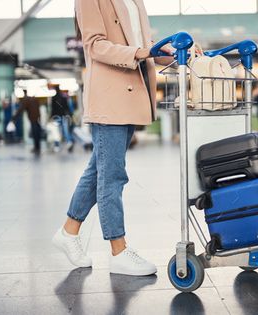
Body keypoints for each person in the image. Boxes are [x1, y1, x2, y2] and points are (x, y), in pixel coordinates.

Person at [52, 0, 174, 276]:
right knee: (112, 174)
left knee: (99, 170)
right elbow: (94, 44)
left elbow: (144, 44)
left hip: (133, 93)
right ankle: (118, 250)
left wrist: (171, 53)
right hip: (110, 96)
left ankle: (69, 232)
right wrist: (144, 51)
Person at [12, 90, 42, 155]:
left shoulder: (26, 100)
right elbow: (38, 109)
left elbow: (21, 109)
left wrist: (14, 117)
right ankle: (37, 147)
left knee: (35, 133)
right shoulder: (34, 99)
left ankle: (37, 148)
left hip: (33, 118)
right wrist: (40, 117)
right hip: (36, 118)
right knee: (37, 133)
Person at [50, 85, 74, 152]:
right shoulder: (63, 98)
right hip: (64, 116)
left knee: (56, 132)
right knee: (65, 130)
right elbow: (67, 108)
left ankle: (56, 146)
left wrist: (51, 117)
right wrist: (69, 115)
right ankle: (69, 142)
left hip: (56, 117)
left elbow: (52, 109)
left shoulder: (53, 98)